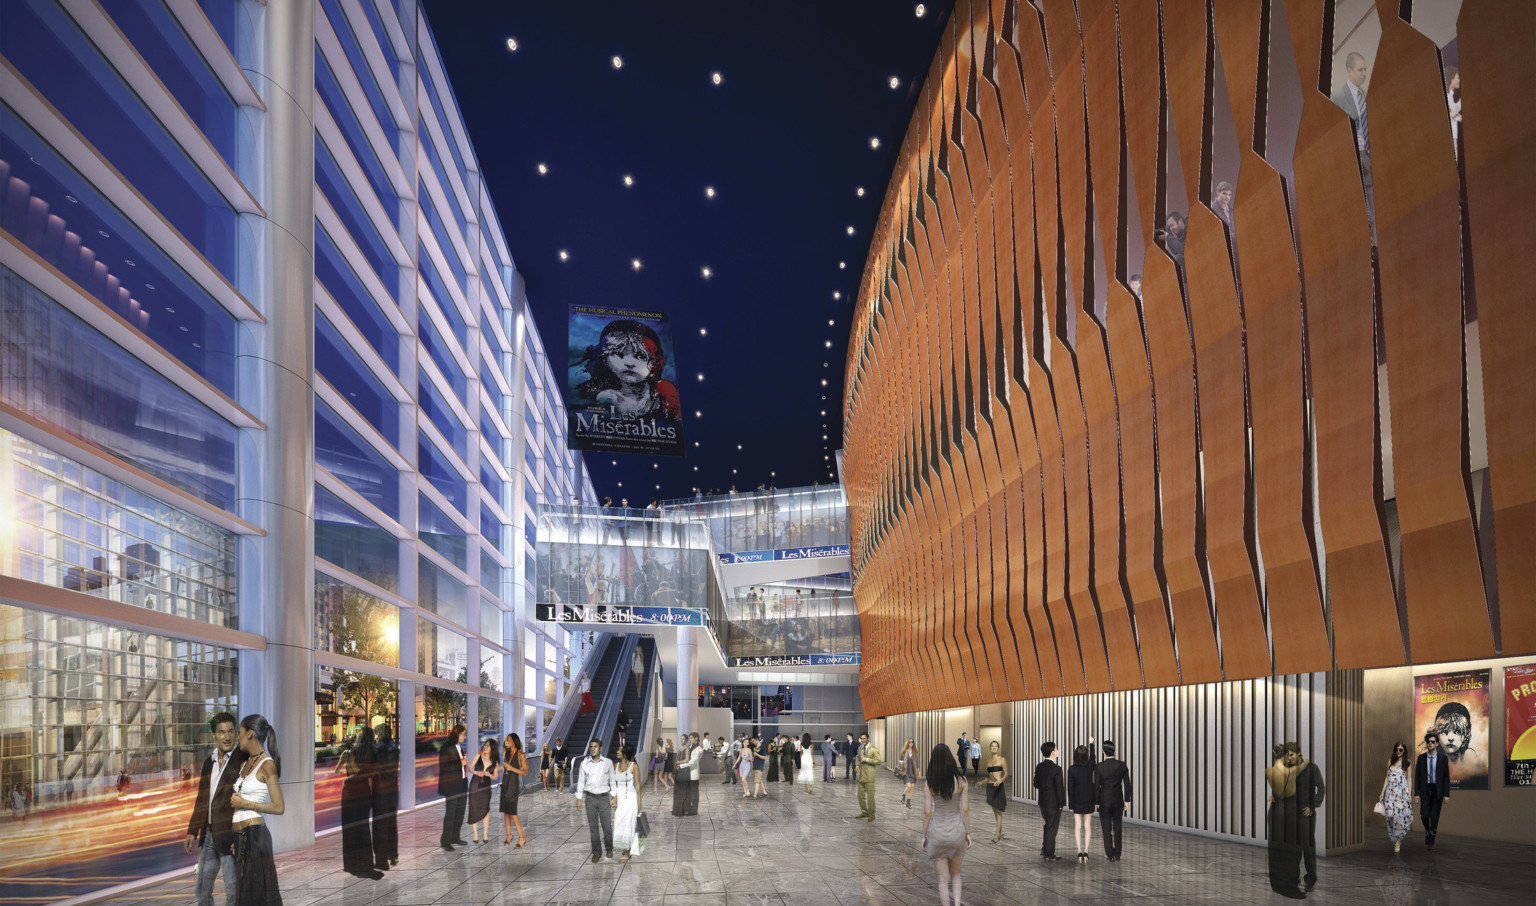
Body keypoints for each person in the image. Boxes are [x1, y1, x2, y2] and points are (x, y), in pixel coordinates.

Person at [185, 711, 246, 906]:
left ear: (235, 733)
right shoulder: (208, 762)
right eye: (222, 732)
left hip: (230, 838)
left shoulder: (242, 761)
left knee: (233, 893)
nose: (227, 737)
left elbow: (248, 798)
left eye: (230, 732)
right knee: (202, 891)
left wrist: (242, 834)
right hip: (209, 835)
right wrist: (192, 831)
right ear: (214, 735)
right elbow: (202, 799)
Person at [228, 714, 284, 906]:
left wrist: (245, 804)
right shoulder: (246, 763)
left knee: (254, 897)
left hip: (256, 836)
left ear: (250, 733)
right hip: (242, 837)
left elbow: (279, 806)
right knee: (244, 895)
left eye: (241, 732)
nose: (238, 737)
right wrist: (236, 838)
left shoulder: (267, 765)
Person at [1330, 51, 1374, 235]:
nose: (1364, 73)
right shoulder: (1338, 97)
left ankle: (1376, 238)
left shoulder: (1364, 95)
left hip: (1370, 155)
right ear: (1349, 71)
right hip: (1354, 156)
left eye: (1365, 69)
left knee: (1373, 197)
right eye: (1360, 70)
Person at [920, 744, 970, 906]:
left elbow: (927, 812)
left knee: (942, 879)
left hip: (937, 833)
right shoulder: (962, 781)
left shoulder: (930, 783)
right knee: (956, 874)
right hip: (957, 832)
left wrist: (924, 835)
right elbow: (965, 810)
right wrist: (967, 833)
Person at [337, 727, 381, 877]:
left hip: (348, 791)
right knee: (362, 827)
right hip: (363, 791)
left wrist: (349, 778)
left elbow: (344, 771)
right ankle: (364, 863)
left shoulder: (351, 751)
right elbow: (373, 772)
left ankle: (350, 864)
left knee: (349, 827)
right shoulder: (373, 752)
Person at [1265, 743, 1304, 898]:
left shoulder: (1270, 772)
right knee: (1293, 849)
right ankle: (1290, 883)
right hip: (1289, 813)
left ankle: (1278, 883)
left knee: (1276, 850)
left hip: (1275, 812)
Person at [1291, 742, 1326, 893]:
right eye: (1287, 755)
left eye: (1291, 754)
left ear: (1299, 753)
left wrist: (1312, 807)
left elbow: (1321, 788)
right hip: (1291, 813)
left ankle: (1310, 880)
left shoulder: (1312, 768)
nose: (1289, 758)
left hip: (1306, 813)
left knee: (1308, 847)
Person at [574, 739, 615, 862]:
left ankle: (609, 848)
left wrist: (614, 797)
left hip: (604, 798)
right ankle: (596, 853)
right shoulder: (584, 763)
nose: (593, 749)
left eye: (595, 746)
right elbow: (581, 781)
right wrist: (578, 799)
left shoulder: (608, 762)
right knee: (593, 827)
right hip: (590, 798)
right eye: (591, 746)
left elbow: (612, 780)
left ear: (600, 748)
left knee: (607, 826)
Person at [1092, 739, 1131, 862]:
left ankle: (1109, 854)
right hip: (1118, 800)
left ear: (1103, 752)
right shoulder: (1122, 765)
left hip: (1104, 800)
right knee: (1118, 828)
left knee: (1106, 828)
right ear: (1114, 750)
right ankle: (1118, 854)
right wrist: (1126, 800)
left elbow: (1096, 785)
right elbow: (1127, 784)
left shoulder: (1099, 766)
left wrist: (1097, 802)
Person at [1429, 701, 1487, 778]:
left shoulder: (1476, 763)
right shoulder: (1431, 762)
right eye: (1444, 731)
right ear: (1437, 734)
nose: (1450, 738)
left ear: (1467, 734)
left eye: (1458, 731)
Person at [1414, 731, 1452, 849]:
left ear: (1436, 744)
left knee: (1434, 816)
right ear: (1426, 744)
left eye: (1432, 742)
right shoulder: (1421, 758)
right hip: (1425, 789)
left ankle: (1431, 842)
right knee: (1424, 815)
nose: (1430, 744)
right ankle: (1427, 830)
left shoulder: (1443, 758)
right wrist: (1416, 794)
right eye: (1428, 742)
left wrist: (1447, 794)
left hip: (1438, 789)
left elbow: (1446, 777)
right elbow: (1417, 777)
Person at [371, 725, 400, 871]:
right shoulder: (395, 749)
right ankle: (393, 855)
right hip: (392, 794)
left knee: (380, 828)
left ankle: (382, 861)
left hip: (380, 795)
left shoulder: (380, 751)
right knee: (391, 825)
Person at [1376, 741, 1413, 853]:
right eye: (1396, 749)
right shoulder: (1390, 761)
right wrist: (1382, 792)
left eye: (1400, 750)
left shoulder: (1408, 762)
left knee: (1399, 818)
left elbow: (1409, 779)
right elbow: (1387, 778)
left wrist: (1409, 794)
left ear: (1404, 751)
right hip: (1390, 794)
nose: (1398, 752)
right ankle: (1396, 838)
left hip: (1402, 794)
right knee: (1390, 817)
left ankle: (1397, 842)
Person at [437, 724, 469, 851]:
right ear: (457, 734)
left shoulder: (458, 747)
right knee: (450, 814)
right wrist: (460, 763)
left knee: (460, 812)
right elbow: (444, 767)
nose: (465, 737)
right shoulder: (446, 747)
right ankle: (445, 842)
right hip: (451, 786)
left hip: (461, 784)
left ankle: (455, 837)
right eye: (463, 734)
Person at [1033, 741, 1066, 862]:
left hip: (1042, 802)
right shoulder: (1057, 769)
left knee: (1048, 825)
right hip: (1054, 803)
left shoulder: (1039, 766)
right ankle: (1049, 853)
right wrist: (1061, 803)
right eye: (1056, 749)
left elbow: (1036, 784)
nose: (1057, 750)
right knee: (1052, 828)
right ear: (1052, 752)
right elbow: (1059, 788)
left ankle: (1044, 849)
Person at [611, 745, 644, 861]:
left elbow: (638, 785)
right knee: (620, 824)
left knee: (629, 824)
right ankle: (625, 848)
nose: (617, 752)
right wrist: (613, 798)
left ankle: (627, 851)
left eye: (620, 751)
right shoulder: (615, 766)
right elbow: (613, 784)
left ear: (625, 754)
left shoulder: (634, 766)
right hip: (620, 801)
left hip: (630, 799)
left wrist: (640, 802)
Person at [1067, 743, 1097, 863]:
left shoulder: (1072, 769)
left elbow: (1070, 788)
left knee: (1078, 826)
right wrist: (1092, 744)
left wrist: (1071, 804)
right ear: (1086, 756)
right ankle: (1086, 851)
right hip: (1089, 798)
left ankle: (1079, 851)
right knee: (1088, 826)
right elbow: (1093, 758)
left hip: (1077, 800)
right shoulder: (1090, 766)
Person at [466, 738, 500, 844]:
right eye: (485, 745)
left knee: (485, 809)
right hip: (475, 785)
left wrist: (489, 774)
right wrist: (476, 773)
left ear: (492, 748)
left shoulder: (495, 763)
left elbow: (495, 777)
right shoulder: (478, 756)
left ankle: (485, 834)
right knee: (474, 808)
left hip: (486, 787)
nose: (485, 747)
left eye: (488, 746)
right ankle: (475, 834)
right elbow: (470, 768)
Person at [501, 733, 528, 847]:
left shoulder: (520, 754)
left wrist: (512, 768)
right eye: (506, 740)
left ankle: (522, 838)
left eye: (508, 740)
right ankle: (509, 835)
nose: (506, 742)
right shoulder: (506, 753)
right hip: (505, 783)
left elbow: (526, 772)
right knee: (506, 812)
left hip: (513, 785)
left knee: (512, 812)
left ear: (514, 741)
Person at [853, 732, 882, 821]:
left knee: (870, 796)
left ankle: (872, 814)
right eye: (861, 739)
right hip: (861, 776)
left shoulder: (874, 749)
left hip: (869, 776)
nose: (862, 740)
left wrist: (867, 759)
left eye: (864, 738)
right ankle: (864, 812)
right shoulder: (861, 750)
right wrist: (857, 766)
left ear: (868, 739)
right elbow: (859, 760)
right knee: (860, 796)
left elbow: (878, 761)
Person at [983, 740, 1008, 842]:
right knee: (994, 810)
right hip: (989, 787)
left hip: (998, 787)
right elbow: (988, 775)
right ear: (990, 748)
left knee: (998, 810)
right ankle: (1001, 832)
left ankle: (997, 834)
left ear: (998, 748)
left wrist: (1000, 781)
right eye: (992, 746)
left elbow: (1006, 773)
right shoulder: (988, 761)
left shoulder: (1002, 759)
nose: (994, 748)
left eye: (996, 746)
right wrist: (981, 782)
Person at [680, 732, 704, 815]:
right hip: (687, 773)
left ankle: (694, 810)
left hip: (694, 773)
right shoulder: (689, 747)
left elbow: (692, 762)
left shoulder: (699, 750)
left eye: (691, 738)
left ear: (696, 738)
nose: (690, 740)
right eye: (689, 738)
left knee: (694, 793)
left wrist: (681, 766)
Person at [897, 738, 920, 808]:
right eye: (910, 742)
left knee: (912, 787)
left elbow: (917, 762)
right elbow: (900, 760)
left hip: (913, 772)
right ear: (907, 743)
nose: (911, 743)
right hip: (906, 772)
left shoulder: (914, 752)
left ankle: (908, 802)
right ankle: (903, 795)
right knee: (909, 786)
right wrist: (902, 762)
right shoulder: (904, 752)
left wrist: (919, 772)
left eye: (912, 742)